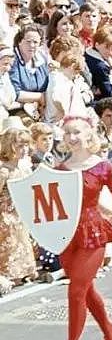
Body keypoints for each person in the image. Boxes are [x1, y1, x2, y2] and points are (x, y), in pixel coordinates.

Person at [55, 111, 112, 340]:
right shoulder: (59, 169)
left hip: (93, 232)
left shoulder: (103, 166)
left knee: (75, 290)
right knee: (84, 288)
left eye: (77, 132)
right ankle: (109, 328)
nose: (72, 138)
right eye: (68, 133)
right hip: (66, 235)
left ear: (88, 135)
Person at [0, 120, 38, 293]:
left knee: (22, 239)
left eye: (26, 145)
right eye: (20, 145)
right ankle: (9, 273)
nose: (24, 149)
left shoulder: (23, 167)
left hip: (20, 211)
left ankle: (25, 270)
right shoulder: (4, 170)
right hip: (6, 214)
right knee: (11, 242)